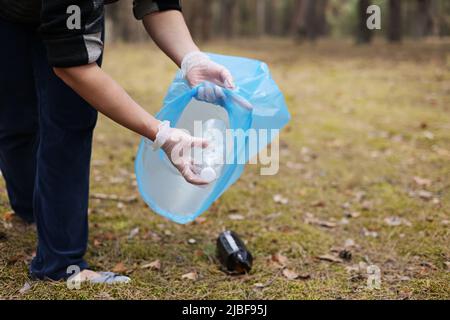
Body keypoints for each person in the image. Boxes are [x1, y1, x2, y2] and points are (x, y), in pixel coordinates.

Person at [0, 0, 236, 283]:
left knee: (68, 120)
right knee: (15, 121)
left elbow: (158, 4)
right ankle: (31, 212)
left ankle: (59, 260)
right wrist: (161, 134)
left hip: (62, 10)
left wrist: (192, 58)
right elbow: (72, 67)